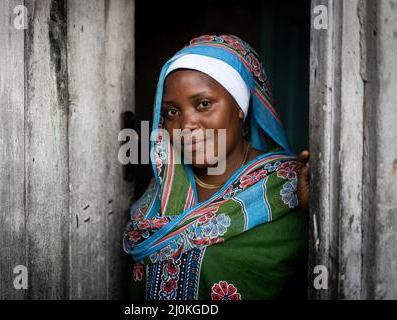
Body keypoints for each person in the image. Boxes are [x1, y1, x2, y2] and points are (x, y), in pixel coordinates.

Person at [123, 35, 310, 300]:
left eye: (203, 104)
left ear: (239, 107)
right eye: (172, 112)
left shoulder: (290, 189)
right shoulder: (162, 189)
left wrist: (312, 215)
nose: (187, 124)